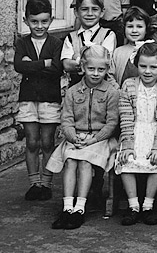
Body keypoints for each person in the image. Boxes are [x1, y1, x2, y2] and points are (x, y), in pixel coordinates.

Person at [47, 45, 119, 230]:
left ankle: (80, 208)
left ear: (107, 69)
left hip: (100, 139)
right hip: (76, 138)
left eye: (101, 69)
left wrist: (93, 139)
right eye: (91, 69)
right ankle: (67, 207)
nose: (95, 73)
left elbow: (111, 123)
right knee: (71, 160)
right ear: (82, 68)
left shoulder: (111, 92)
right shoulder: (73, 92)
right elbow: (67, 119)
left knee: (85, 162)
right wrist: (73, 137)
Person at [115, 43, 157, 226]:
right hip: (132, 130)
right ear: (136, 65)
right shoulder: (129, 85)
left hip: (156, 132)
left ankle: (148, 205)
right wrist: (128, 143)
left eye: (153, 67)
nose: (147, 71)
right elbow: (125, 117)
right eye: (143, 66)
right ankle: (133, 206)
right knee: (125, 160)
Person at [15, 0, 63, 201]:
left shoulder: (55, 43)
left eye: (44, 21)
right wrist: (44, 63)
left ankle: (46, 183)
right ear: (26, 21)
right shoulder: (22, 42)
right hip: (28, 98)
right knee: (32, 142)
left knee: (47, 142)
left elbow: (57, 69)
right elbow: (19, 66)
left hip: (49, 98)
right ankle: (34, 183)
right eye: (34, 21)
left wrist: (33, 65)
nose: (39, 26)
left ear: (50, 20)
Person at [61, 0, 117, 86]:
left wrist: (77, 57)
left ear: (102, 12)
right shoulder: (70, 37)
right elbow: (66, 64)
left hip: (101, 89)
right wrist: (90, 60)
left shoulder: (108, 35)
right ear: (76, 12)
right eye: (84, 9)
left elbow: (103, 61)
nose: (90, 14)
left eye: (95, 9)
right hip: (76, 88)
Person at [111, 6, 152, 86]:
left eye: (139, 26)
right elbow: (110, 76)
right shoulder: (118, 52)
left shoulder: (152, 49)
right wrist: (118, 91)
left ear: (146, 29)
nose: (134, 30)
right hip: (122, 94)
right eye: (130, 26)